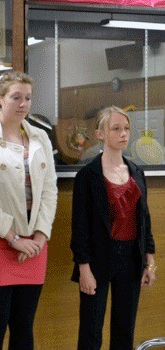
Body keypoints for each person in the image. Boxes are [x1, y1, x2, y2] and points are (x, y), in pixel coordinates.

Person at [0, 71, 57, 350]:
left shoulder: (40, 136)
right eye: (16, 97)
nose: (23, 104)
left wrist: (40, 234)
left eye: (28, 98)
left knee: (24, 325)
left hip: (35, 244)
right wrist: (13, 237)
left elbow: (50, 190)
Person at [71, 106, 157, 350]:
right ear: (100, 134)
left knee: (124, 328)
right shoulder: (88, 176)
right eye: (116, 129)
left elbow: (145, 220)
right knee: (91, 330)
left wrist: (149, 261)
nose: (124, 134)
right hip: (98, 259)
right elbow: (80, 229)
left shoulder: (136, 172)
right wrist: (84, 268)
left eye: (127, 129)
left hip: (131, 257)